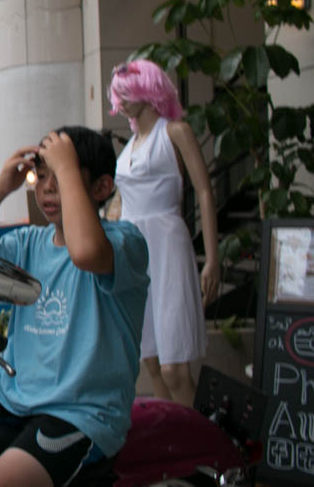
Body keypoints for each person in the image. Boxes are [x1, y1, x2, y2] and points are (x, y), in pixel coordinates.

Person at [0, 126, 150, 487]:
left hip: (79, 409)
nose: (47, 187)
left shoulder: (125, 242)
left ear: (102, 188)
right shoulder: (29, 242)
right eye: (41, 176)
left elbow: (86, 252)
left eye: (61, 175)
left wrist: (67, 166)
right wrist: (0, 189)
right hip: (11, 385)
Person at [109, 59, 219, 407]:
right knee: (151, 361)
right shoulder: (129, 147)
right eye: (118, 94)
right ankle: (171, 442)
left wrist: (212, 258)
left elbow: (204, 191)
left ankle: (201, 446)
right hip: (134, 246)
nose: (121, 100)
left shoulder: (175, 132)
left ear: (148, 90)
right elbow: (118, 202)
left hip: (167, 242)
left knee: (174, 367)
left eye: (127, 92)